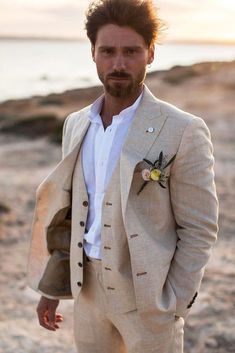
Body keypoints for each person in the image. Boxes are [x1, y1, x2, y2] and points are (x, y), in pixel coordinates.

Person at [27, 0, 219, 352]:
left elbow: (200, 227)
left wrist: (174, 300)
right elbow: (69, 215)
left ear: (150, 53)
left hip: (150, 298)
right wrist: (52, 289)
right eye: (108, 51)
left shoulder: (183, 130)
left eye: (130, 51)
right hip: (87, 293)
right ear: (93, 54)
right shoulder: (76, 124)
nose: (118, 63)